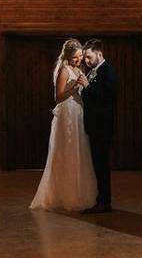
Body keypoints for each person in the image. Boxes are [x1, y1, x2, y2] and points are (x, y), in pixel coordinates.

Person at [29, 38, 98, 212]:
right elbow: (58, 97)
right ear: (67, 56)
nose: (79, 59)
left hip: (78, 111)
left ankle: (79, 193)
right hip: (67, 113)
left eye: (80, 56)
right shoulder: (64, 70)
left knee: (78, 150)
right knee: (66, 151)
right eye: (75, 57)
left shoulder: (79, 68)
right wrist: (74, 87)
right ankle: (63, 195)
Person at [79, 38, 117, 213]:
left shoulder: (108, 72)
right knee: (97, 164)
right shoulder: (93, 71)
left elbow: (107, 97)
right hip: (94, 126)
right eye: (85, 58)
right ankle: (101, 200)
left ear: (99, 54)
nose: (86, 61)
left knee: (102, 164)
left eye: (88, 57)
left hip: (102, 126)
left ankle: (104, 202)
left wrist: (87, 86)